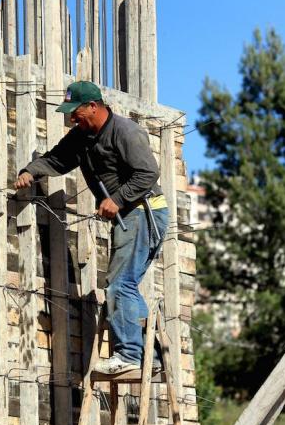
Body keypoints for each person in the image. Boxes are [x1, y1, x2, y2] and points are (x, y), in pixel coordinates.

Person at [14, 81, 169, 374]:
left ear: (93, 107)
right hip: (130, 215)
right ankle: (154, 357)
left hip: (144, 212)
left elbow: (148, 173)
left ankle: (132, 355)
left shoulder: (125, 132)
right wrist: (30, 171)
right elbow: (57, 160)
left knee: (120, 284)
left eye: (76, 112)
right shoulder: (81, 137)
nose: (72, 118)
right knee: (126, 284)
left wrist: (118, 199)